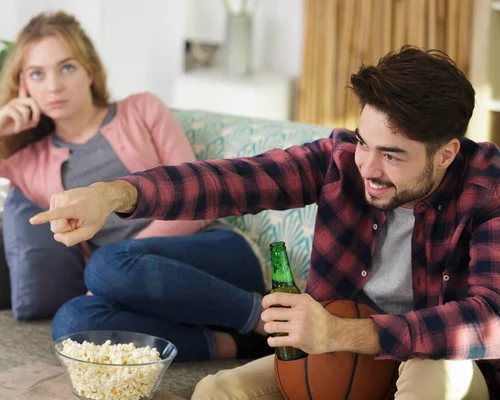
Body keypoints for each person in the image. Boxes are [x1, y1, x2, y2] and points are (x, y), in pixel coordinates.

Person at [30, 46, 500, 399]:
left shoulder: (488, 189)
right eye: (364, 143)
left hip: (433, 357)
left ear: (446, 154)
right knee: (215, 392)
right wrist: (112, 194)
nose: (369, 168)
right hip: (342, 351)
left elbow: (489, 319)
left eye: (392, 155)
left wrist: (339, 333)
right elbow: (229, 182)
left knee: (432, 372)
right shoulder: (341, 162)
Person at [0, 11, 271, 362]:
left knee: (106, 265)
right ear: (21, 86)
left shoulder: (141, 110)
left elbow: (198, 199)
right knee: (72, 322)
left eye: (66, 67)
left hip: (213, 256)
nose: (54, 86)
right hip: (135, 290)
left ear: (90, 71)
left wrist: (119, 265)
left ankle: (263, 318)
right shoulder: (28, 164)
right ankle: (236, 346)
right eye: (36, 74)